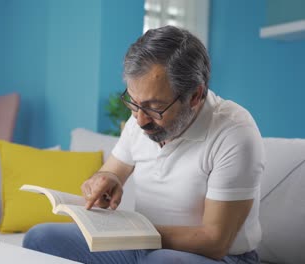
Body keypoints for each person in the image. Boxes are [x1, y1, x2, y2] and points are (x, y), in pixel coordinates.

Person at [23, 25, 264, 264]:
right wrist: (106, 180)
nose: (139, 119)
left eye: (155, 106)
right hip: (144, 246)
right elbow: (111, 171)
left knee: (162, 261)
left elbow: (215, 242)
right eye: (133, 102)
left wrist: (131, 233)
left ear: (195, 96)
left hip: (218, 257)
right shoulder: (140, 117)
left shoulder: (234, 132)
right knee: (40, 238)